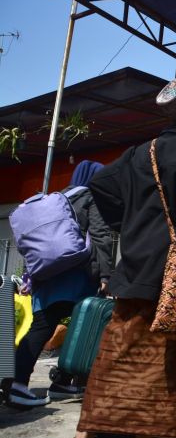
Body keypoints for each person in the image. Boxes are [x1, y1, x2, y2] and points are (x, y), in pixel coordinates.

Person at [54, 74, 176, 438]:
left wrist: (131, 225)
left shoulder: (138, 152)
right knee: (166, 360)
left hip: (133, 270)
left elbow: (100, 187)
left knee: (115, 356)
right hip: (172, 273)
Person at [10, 161, 113, 407]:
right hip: (75, 277)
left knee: (43, 327)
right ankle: (18, 385)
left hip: (47, 277)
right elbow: (100, 235)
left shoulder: (57, 199)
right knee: (83, 327)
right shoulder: (90, 197)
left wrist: (30, 276)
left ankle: (56, 382)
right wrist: (106, 276)